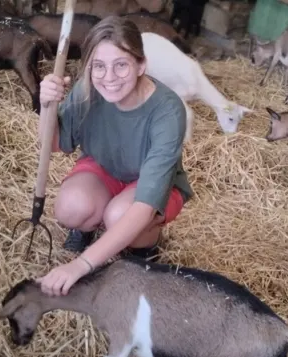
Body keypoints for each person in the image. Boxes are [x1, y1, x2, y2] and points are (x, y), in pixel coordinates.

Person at [36, 15, 194, 296]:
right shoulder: (88, 89)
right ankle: (95, 225)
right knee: (70, 208)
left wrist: (81, 265)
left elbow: (144, 203)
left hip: (149, 183)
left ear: (141, 65)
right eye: (99, 66)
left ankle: (146, 242)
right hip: (105, 166)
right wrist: (46, 105)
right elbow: (55, 144)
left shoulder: (167, 111)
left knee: (121, 215)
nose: (108, 78)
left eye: (121, 65)